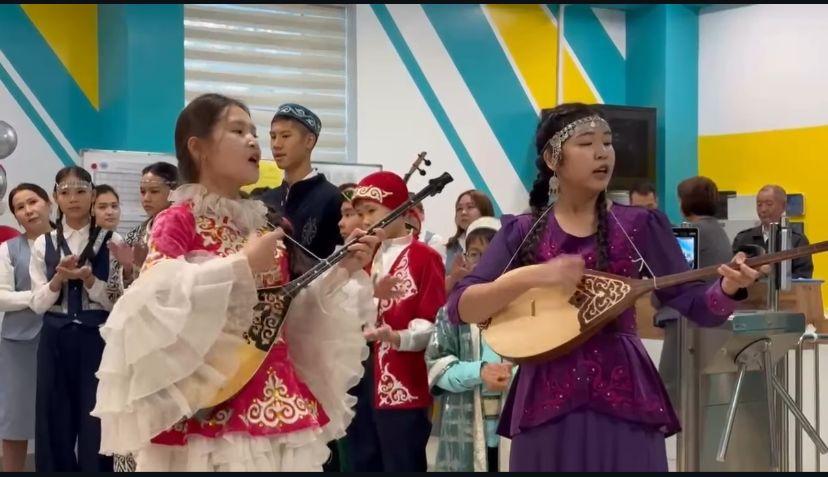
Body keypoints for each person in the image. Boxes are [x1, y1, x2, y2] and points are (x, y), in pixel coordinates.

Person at [446, 103, 764, 472]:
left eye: (608, 143)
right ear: (552, 158)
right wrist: (534, 276)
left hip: (625, 397)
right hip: (545, 398)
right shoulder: (522, 230)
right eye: (586, 143)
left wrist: (728, 289)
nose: (602, 153)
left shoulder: (641, 224)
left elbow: (696, 306)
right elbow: (461, 307)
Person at [91, 93, 378, 472]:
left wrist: (343, 270)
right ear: (198, 148)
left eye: (254, 132)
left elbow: (285, 312)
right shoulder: (178, 219)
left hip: (276, 398)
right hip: (209, 404)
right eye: (238, 131)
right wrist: (240, 266)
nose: (254, 141)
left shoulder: (265, 222)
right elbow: (153, 298)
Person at [345, 171, 446, 472]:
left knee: (402, 462)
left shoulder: (425, 257)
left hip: (403, 380)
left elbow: (432, 321)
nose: (365, 220)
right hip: (358, 375)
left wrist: (397, 337)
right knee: (362, 460)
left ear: (400, 210)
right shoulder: (362, 256)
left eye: (371, 211)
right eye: (360, 213)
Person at [29, 166, 121, 472]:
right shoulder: (43, 243)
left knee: (97, 419)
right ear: (55, 197)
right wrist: (58, 280)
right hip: (54, 341)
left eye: (81, 191)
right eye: (65, 192)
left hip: (98, 341)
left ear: (92, 196)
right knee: (54, 419)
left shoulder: (112, 241)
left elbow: (117, 301)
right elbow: (37, 304)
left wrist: (89, 279)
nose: (73, 199)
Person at [426, 216, 513, 472]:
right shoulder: (452, 312)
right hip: (465, 426)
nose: (483, 262)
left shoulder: (526, 307)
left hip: (514, 425)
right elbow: (436, 366)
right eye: (475, 254)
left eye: (492, 253)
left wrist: (514, 373)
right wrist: (480, 371)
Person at [656, 176, 734, 407]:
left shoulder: (690, 233)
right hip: (710, 319)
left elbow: (673, 279)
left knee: (671, 385)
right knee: (699, 388)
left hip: (684, 319)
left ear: (685, 202)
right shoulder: (719, 231)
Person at [0, 184, 52, 472]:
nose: (28, 210)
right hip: (18, 346)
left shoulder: (72, 242)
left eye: (33, 202)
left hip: (62, 339)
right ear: (16, 216)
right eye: (20, 207)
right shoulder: (8, 249)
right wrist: (40, 297)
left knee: (59, 417)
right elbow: (1, 297)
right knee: (15, 420)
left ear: (49, 203)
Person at [259, 103, 343, 263]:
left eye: (285, 136)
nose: (276, 144)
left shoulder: (333, 199)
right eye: (273, 136)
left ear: (309, 141)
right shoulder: (265, 200)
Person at [732, 184, 813, 278]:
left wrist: (769, 275)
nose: (763, 209)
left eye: (769, 204)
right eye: (759, 205)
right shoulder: (742, 238)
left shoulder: (797, 240)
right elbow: (732, 273)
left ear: (783, 206)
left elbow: (803, 277)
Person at [445, 190, 494, 293]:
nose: (463, 212)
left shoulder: (499, 243)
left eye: (470, 207)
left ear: (484, 210)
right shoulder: (445, 249)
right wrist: (453, 279)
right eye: (459, 209)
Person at [405, 192, 446, 262]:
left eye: (411, 212)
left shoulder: (434, 241)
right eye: (403, 214)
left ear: (422, 214)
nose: (406, 218)